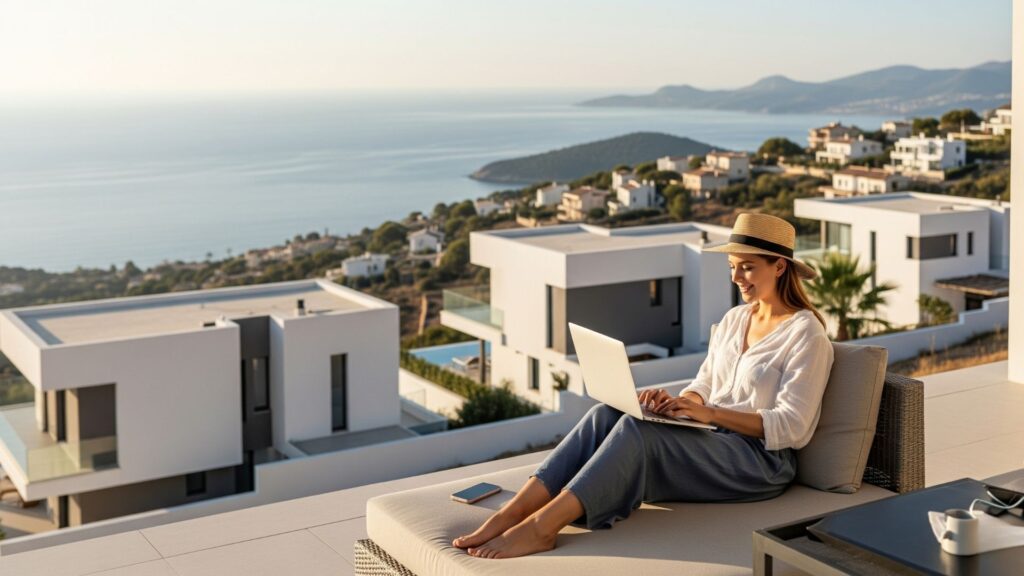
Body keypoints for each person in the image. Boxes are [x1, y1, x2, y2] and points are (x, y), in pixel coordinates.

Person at [452, 213, 835, 559]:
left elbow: (793, 426)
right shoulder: (735, 319)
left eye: (747, 268)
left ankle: (541, 529)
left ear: (779, 266)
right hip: (712, 440)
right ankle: (513, 512)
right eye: (733, 267)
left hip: (760, 462)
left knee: (638, 433)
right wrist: (679, 404)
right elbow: (705, 381)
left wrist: (709, 414)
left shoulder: (806, 334)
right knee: (606, 414)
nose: (736, 278)